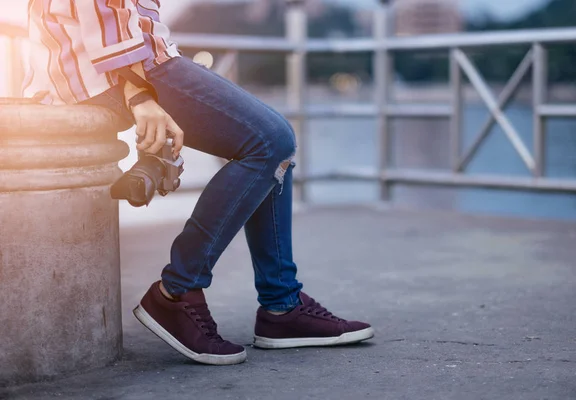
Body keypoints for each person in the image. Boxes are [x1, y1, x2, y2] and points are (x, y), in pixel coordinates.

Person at [25, 0, 373, 365]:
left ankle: (281, 306)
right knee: (270, 140)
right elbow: (102, 11)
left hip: (119, 61)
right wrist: (138, 91)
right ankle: (178, 291)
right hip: (121, 66)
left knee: (271, 146)